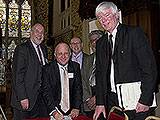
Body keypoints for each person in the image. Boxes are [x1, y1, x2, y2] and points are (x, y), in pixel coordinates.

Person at [93, 2, 157, 120]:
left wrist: (145, 100)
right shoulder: (101, 43)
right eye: (100, 17)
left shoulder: (134, 33)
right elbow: (100, 74)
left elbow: (150, 69)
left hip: (136, 101)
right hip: (112, 101)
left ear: (116, 15)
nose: (103, 20)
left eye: (107, 15)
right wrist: (100, 103)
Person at [11, 23, 49, 119]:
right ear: (31, 33)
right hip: (24, 100)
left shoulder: (44, 49)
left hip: (39, 100)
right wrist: (22, 97)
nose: (39, 34)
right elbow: (17, 75)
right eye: (37, 31)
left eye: (42, 33)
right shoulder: (22, 49)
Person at [42, 42, 83, 120]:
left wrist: (76, 107)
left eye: (66, 53)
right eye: (60, 53)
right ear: (55, 55)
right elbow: (46, 92)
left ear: (70, 54)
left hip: (72, 112)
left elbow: (78, 89)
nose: (63, 56)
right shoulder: (47, 69)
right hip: (54, 111)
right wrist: (54, 112)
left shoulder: (75, 66)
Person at [80, 30, 103, 117]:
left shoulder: (109, 57)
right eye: (91, 41)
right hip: (89, 102)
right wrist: (88, 99)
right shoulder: (88, 59)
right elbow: (83, 80)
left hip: (104, 99)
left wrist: (97, 97)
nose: (94, 43)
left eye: (96, 40)